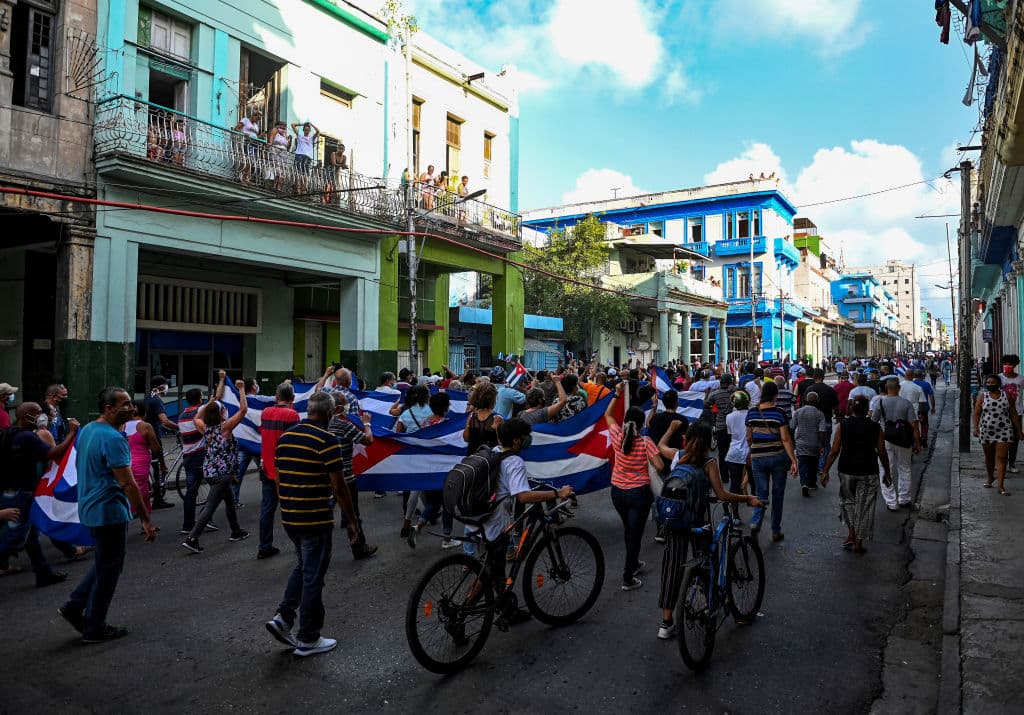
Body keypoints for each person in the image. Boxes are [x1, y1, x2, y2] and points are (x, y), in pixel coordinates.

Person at [265, 391, 362, 657]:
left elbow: (278, 477)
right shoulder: (327, 440)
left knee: (304, 566)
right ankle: (308, 637)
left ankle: (284, 618)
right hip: (315, 517)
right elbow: (339, 486)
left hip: (290, 516)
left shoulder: (287, 437)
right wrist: (352, 521)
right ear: (330, 413)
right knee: (313, 577)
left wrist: (287, 504)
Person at [60, 388, 155, 643]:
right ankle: (94, 626)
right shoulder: (113, 439)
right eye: (124, 404)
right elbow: (128, 483)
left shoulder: (90, 429)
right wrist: (145, 518)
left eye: (130, 404)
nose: (131, 408)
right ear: (108, 408)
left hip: (91, 507)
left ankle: (74, 605)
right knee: (110, 569)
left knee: (104, 562)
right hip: (109, 511)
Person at [654, 421, 760, 638]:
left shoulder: (677, 456)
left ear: (687, 438)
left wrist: (671, 429)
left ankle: (666, 623)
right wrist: (747, 498)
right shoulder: (709, 462)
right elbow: (722, 496)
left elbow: (660, 445)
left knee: (672, 567)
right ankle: (707, 597)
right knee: (705, 559)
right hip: (698, 522)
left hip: (673, 518)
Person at [0, 403, 79, 583]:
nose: (41, 416)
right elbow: (54, 453)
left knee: (29, 536)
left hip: (11, 492)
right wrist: (71, 433)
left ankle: (43, 573)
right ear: (26, 416)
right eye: (37, 413)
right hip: (21, 494)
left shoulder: (9, 434)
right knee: (16, 536)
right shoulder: (27, 437)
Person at [605, 383, 665, 591]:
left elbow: (608, 415)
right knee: (635, 533)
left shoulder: (617, 436)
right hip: (639, 493)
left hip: (617, 491)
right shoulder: (645, 442)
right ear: (641, 424)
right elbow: (659, 465)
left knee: (629, 529)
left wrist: (617, 394)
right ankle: (627, 576)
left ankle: (634, 562)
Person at [181, 372, 249, 552]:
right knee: (210, 506)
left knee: (229, 501)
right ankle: (192, 538)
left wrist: (208, 404)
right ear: (220, 414)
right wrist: (241, 389)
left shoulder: (205, 428)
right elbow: (243, 411)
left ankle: (236, 531)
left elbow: (197, 416)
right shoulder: (224, 428)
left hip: (211, 472)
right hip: (222, 475)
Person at [822, 395, 892, 553]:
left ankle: (851, 534)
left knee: (848, 503)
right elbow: (882, 451)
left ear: (852, 408)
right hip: (868, 470)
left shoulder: (843, 425)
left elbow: (834, 451)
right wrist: (887, 472)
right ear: (868, 410)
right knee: (865, 506)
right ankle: (859, 542)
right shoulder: (875, 427)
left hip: (847, 469)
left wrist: (825, 470)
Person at [326, 395, 378, 560]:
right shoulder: (344, 425)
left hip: (324, 478)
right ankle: (359, 547)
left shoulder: (322, 424)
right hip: (345, 477)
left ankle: (321, 550)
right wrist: (367, 424)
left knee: (325, 514)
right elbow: (368, 440)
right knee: (353, 515)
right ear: (340, 408)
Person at [745, 380, 799, 541]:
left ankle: (756, 522)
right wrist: (793, 460)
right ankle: (775, 530)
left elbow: (749, 438)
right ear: (775, 395)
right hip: (777, 457)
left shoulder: (752, 413)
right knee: (777, 494)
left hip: (758, 458)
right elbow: (785, 438)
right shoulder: (779, 413)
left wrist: (754, 450)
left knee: (761, 493)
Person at [256, 382, 301, 560]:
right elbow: (294, 442)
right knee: (292, 509)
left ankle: (264, 545)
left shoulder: (266, 413)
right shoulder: (292, 415)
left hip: (266, 466)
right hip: (284, 468)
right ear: (293, 398)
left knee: (267, 508)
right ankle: (300, 544)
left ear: (276, 396)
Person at [872, 376, 921, 511]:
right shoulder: (906, 403)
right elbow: (914, 425)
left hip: (885, 440)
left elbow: (873, 422)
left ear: (887, 388)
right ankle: (904, 499)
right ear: (898, 388)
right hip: (904, 440)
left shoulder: (880, 403)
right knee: (904, 468)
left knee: (885, 469)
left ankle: (891, 501)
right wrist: (918, 442)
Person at [973, 374, 1022, 496]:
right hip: (987, 432)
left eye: (993, 382)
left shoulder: (1007, 396)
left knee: (1002, 458)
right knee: (989, 458)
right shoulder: (982, 397)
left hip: (1004, 431)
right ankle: (990, 478)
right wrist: (976, 428)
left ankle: (1000, 485)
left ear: (999, 384)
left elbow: (1014, 414)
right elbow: (977, 413)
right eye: (988, 383)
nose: (990, 385)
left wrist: (1019, 431)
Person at [177, 388, 210, 536]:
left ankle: (187, 524)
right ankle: (206, 518)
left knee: (191, 491)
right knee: (217, 486)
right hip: (200, 455)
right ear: (199, 399)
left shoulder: (182, 415)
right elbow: (213, 403)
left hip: (187, 456)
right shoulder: (200, 411)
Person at [143, 375, 178, 509]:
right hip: (154, 438)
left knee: (153, 466)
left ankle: (155, 495)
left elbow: (153, 420)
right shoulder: (157, 401)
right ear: (161, 387)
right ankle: (158, 499)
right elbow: (164, 420)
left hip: (146, 436)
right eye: (166, 385)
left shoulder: (148, 398)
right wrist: (180, 427)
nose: (167, 387)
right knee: (159, 467)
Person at [124, 400, 164, 515]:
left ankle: (144, 522)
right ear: (144, 412)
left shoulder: (123, 426)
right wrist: (163, 464)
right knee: (142, 492)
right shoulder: (145, 426)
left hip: (126, 463)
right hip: (140, 464)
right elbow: (156, 448)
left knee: (130, 491)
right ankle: (143, 521)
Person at [233, 377, 264, 508]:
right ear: (253, 387)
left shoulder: (236, 401)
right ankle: (270, 497)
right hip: (257, 443)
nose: (257, 385)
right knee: (265, 472)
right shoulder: (259, 400)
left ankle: (234, 500)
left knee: (238, 473)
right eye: (256, 383)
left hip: (242, 443)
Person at [790, 392, 828, 497]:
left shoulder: (798, 412)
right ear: (817, 401)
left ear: (806, 400)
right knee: (813, 464)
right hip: (814, 444)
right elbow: (822, 431)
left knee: (802, 464)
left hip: (801, 443)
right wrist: (821, 445)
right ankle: (811, 483)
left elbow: (792, 427)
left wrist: (792, 441)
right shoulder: (820, 414)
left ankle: (804, 484)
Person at [723, 390, 752, 521]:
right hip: (751, 453)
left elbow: (731, 434)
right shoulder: (752, 415)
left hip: (734, 453)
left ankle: (734, 514)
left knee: (734, 485)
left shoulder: (729, 417)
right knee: (756, 483)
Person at [998, 355, 1024, 473]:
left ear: (1015, 365)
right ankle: (1000, 462)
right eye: (1005, 364)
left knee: (1014, 439)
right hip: (1001, 412)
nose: (1007, 366)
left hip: (1017, 411)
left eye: (1010, 364)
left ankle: (1012, 463)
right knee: (1001, 439)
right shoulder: (999, 378)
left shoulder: (1021, 379)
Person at [705, 373, 735, 472]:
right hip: (734, 426)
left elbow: (706, 404)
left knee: (722, 452)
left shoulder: (715, 394)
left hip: (721, 425)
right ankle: (733, 471)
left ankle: (724, 475)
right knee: (734, 450)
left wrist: (706, 394)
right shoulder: (735, 391)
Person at [291, 121, 319, 194]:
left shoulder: (311, 138)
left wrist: (311, 124)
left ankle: (304, 190)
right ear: (303, 130)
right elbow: (293, 124)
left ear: (309, 131)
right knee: (298, 173)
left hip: (308, 157)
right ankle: (298, 189)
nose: (307, 131)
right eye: (305, 130)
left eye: (308, 130)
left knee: (306, 174)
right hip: (299, 155)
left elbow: (318, 131)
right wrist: (303, 124)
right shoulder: (300, 136)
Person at [234, 109, 262, 184]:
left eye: (259, 119)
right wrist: (243, 133)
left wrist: (260, 137)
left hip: (254, 143)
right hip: (246, 142)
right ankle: (242, 177)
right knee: (246, 160)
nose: (257, 120)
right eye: (257, 118)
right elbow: (236, 128)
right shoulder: (245, 120)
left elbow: (255, 135)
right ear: (253, 115)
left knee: (251, 161)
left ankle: (246, 178)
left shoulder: (256, 125)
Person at [912, 369, 936, 442]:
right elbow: (931, 396)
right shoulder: (926, 384)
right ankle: (924, 437)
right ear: (922, 376)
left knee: (914, 424)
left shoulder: (912, 384)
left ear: (914, 376)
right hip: (924, 407)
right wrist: (933, 407)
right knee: (924, 423)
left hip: (913, 407)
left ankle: (915, 439)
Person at [267, 120, 291, 192]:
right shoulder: (275, 130)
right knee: (275, 168)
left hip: (284, 153)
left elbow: (288, 147)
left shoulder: (284, 134)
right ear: (279, 125)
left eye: (285, 127)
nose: (284, 129)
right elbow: (271, 138)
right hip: (276, 151)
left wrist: (290, 140)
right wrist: (270, 143)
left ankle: (279, 186)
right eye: (283, 127)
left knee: (282, 170)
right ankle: (274, 185)